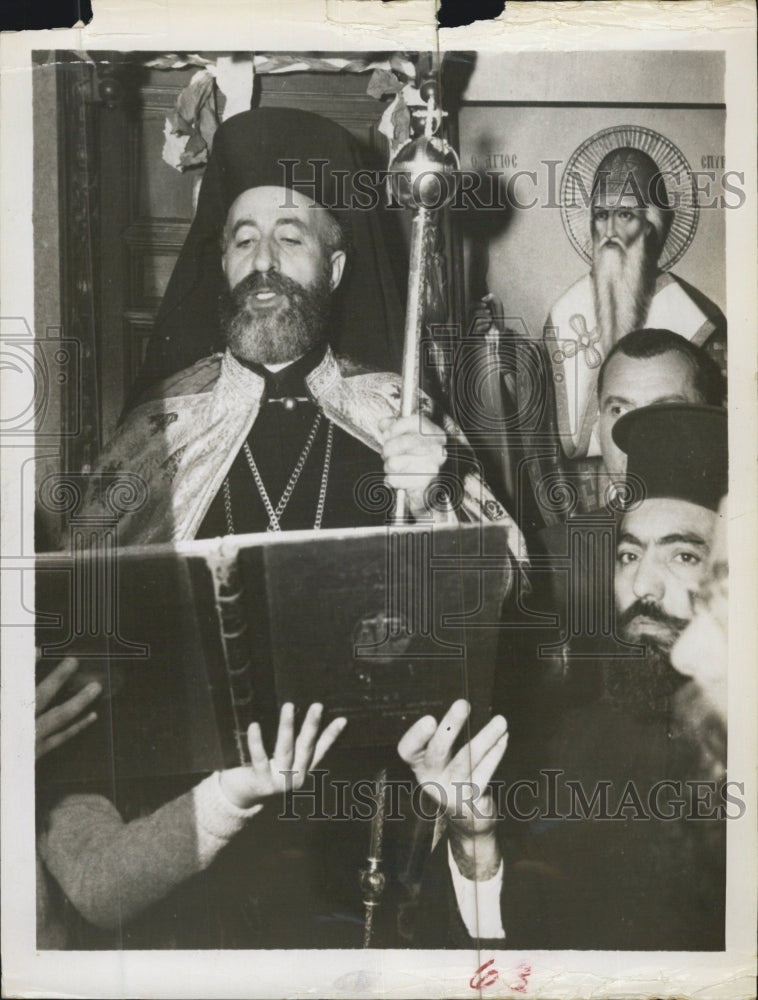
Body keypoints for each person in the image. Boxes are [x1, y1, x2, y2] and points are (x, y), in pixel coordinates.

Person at [68, 107, 519, 547]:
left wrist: (435, 502)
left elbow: (509, 578)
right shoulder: (160, 426)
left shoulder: (398, 411)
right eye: (244, 240)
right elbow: (82, 594)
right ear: (223, 264)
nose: (262, 260)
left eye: (289, 238)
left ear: (335, 269)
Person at [404, 403, 728, 950]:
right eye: (629, 554)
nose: (643, 586)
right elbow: (541, 938)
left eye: (685, 558)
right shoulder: (574, 742)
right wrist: (475, 842)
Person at [545, 135, 726, 463]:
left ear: (651, 226)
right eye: (602, 214)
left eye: (625, 215)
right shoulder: (564, 313)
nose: (610, 230)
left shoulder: (699, 320)